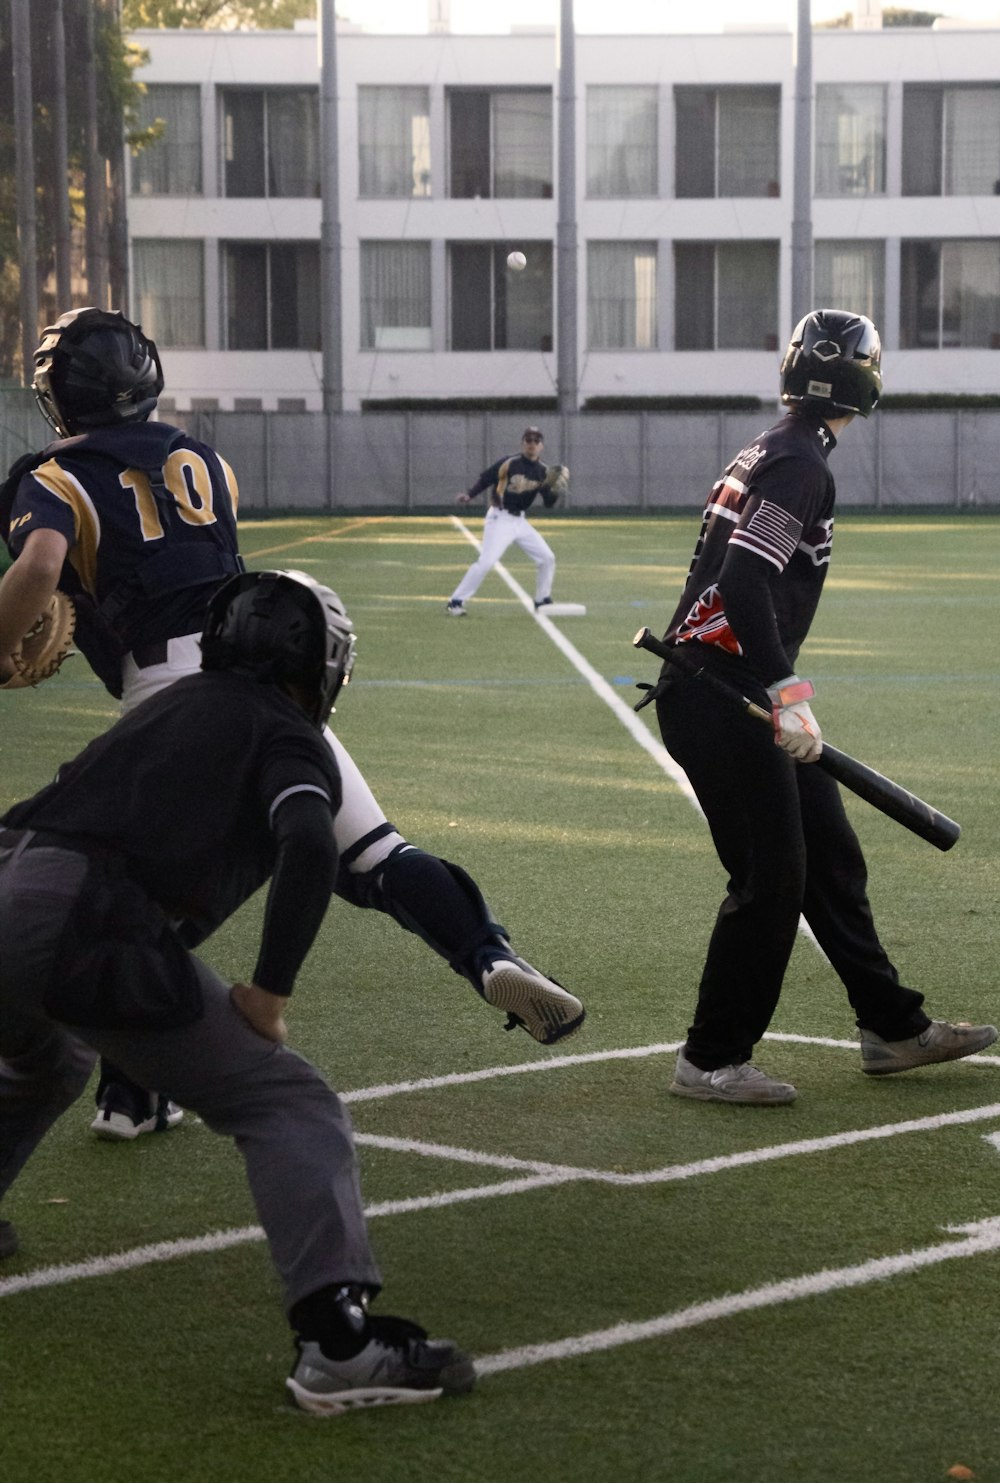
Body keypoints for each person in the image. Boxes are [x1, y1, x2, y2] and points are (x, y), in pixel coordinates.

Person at [0, 309, 585, 1142]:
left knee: (136, 900)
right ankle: (487, 950)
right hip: (258, 680)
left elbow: (43, 565)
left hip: (162, 699)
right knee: (377, 852)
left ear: (63, 393)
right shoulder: (202, 458)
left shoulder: (50, 476)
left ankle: (130, 1098)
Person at [0, 569, 476, 1411]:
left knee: (52, 1059)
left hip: (14, 881)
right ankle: (339, 1345)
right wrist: (269, 992)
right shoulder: (288, 732)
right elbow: (309, 843)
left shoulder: (165, 706)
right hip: (77, 919)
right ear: (319, 663)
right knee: (289, 1103)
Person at [641, 309, 996, 1105]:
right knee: (772, 876)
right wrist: (787, 694)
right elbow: (741, 580)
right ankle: (710, 1058)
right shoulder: (802, 462)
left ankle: (892, 1027)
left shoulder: (779, 446)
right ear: (869, 381)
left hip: (725, 684)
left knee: (829, 856)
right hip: (720, 692)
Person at [446, 426, 564, 616]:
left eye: (536, 441)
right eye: (528, 440)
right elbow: (485, 479)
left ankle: (542, 600)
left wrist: (554, 489)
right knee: (486, 561)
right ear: (522, 443)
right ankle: (456, 601)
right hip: (500, 518)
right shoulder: (510, 463)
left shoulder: (543, 471)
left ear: (541, 446)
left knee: (547, 558)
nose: (532, 444)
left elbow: (549, 503)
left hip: (520, 522)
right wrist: (470, 495)